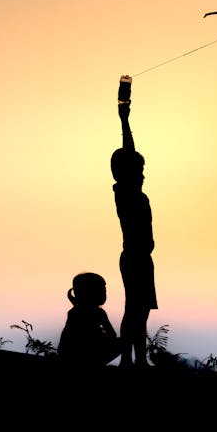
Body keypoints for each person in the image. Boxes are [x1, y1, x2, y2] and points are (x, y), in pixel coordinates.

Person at [112, 75, 158, 368]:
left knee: (140, 312)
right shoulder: (126, 193)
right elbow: (128, 148)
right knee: (134, 310)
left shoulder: (135, 194)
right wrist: (124, 115)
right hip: (134, 258)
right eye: (139, 169)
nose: (143, 173)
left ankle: (137, 358)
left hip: (142, 259)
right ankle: (129, 360)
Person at [57, 272, 120, 368]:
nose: (104, 293)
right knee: (124, 342)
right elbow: (112, 334)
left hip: (67, 354)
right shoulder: (99, 313)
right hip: (86, 354)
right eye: (102, 290)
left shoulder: (73, 311)